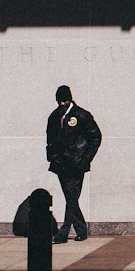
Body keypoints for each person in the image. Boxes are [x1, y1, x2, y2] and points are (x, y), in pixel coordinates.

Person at [45, 84, 102, 242]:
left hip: (76, 163)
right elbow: (50, 139)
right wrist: (51, 157)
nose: (62, 104)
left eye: (64, 100)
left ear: (70, 99)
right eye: (59, 101)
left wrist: (86, 158)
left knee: (71, 198)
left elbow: (95, 137)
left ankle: (63, 233)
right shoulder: (54, 117)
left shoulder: (82, 115)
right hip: (60, 164)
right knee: (71, 198)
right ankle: (81, 230)